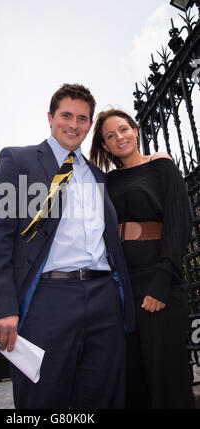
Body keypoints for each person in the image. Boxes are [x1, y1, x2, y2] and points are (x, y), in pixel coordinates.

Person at [0, 84, 135, 409]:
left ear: (89, 125)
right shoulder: (20, 162)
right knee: (44, 399)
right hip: (48, 300)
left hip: (104, 298)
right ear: (51, 117)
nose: (73, 125)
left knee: (105, 397)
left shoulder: (97, 176)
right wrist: (1, 305)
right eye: (66, 115)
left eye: (82, 118)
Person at [90, 108, 195, 409]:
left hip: (156, 279)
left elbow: (179, 222)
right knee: (133, 380)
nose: (119, 137)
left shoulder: (160, 164)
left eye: (123, 129)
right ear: (105, 146)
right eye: (110, 136)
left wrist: (163, 281)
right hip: (121, 285)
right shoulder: (107, 182)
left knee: (167, 378)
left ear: (135, 130)